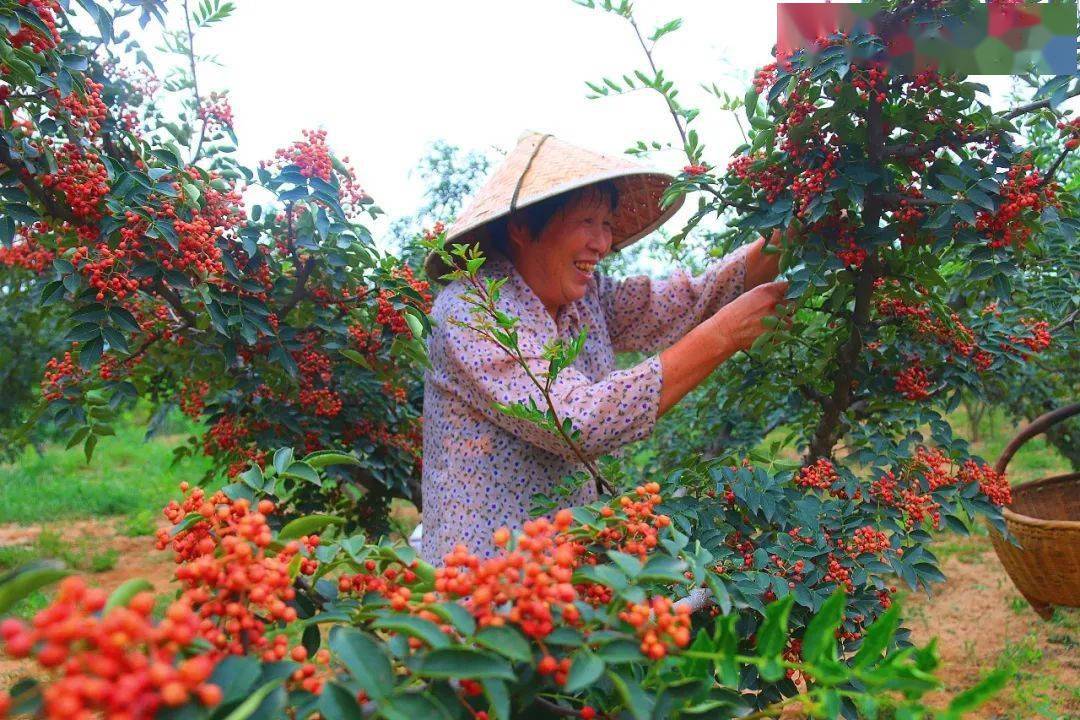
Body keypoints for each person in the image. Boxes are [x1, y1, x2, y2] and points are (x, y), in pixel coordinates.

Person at [418, 131, 791, 564]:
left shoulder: (587, 298)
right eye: (586, 222)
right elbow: (576, 423)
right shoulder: (472, 310)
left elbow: (687, 301)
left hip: (566, 575)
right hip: (484, 585)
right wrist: (724, 335)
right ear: (522, 228)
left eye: (608, 224)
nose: (602, 242)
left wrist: (795, 225)